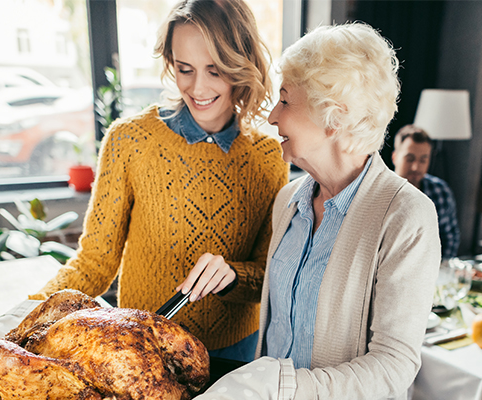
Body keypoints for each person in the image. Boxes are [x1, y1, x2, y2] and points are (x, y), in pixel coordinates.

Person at [30, 0, 288, 363]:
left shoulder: (269, 158)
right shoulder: (129, 141)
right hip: (142, 348)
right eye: (185, 69)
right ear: (170, 63)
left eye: (215, 71)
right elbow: (94, 263)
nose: (198, 88)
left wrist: (231, 274)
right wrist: (30, 313)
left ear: (240, 66)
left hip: (234, 353)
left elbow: (269, 276)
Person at [196, 23, 440, 399]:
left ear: (335, 118)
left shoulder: (406, 216)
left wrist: (281, 387)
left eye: (286, 100)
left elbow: (394, 365)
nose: (273, 116)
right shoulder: (288, 201)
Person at [391, 125, 459, 260]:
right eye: (409, 159)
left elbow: (450, 238)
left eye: (423, 160)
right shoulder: (378, 191)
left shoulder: (441, 191)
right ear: (395, 157)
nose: (416, 167)